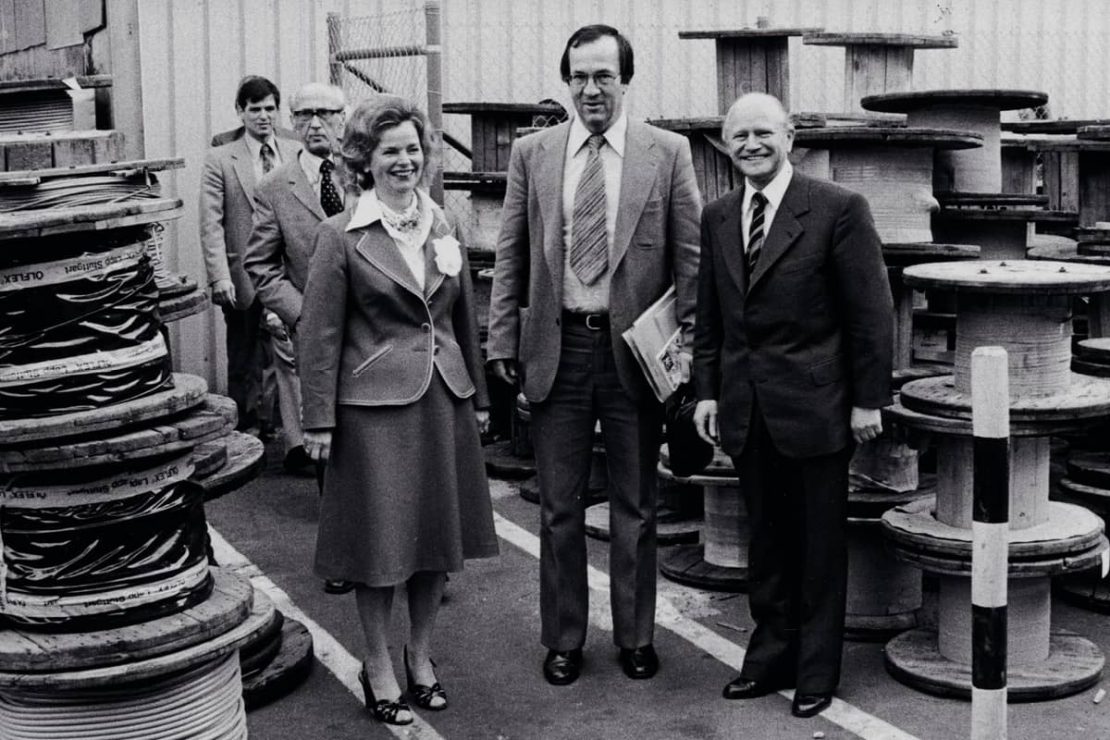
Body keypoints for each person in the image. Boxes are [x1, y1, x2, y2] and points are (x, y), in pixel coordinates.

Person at [487, 24, 701, 686]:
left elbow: (690, 257)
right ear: (567, 82)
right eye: (579, 76)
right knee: (559, 506)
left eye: (604, 76)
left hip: (634, 353)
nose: (591, 89)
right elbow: (511, 252)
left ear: (626, 81)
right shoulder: (535, 152)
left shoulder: (666, 153)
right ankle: (564, 638)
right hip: (560, 347)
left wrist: (689, 344)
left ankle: (636, 636)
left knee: (636, 506)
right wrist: (502, 339)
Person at [691, 92, 893, 718]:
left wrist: (867, 402)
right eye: (738, 135)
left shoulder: (837, 209)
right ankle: (770, 655)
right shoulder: (720, 215)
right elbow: (712, 317)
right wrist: (705, 392)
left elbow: (871, 313)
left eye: (763, 133)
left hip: (817, 408)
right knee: (768, 543)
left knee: (818, 546)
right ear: (725, 144)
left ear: (791, 138)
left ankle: (816, 672)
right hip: (746, 409)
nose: (750, 145)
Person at [299, 95, 498, 727]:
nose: (405, 161)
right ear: (364, 160)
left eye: (413, 149)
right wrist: (318, 419)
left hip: (443, 400)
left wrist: (482, 397)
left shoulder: (444, 224)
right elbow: (319, 334)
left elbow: (465, 317)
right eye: (391, 151)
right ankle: (378, 663)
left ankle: (421, 657)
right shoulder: (342, 234)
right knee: (380, 547)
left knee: (435, 542)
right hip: (372, 410)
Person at [243, 82, 348, 477]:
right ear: (292, 121)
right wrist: (300, 314)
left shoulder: (365, 174)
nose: (316, 124)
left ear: (344, 119)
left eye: (326, 114)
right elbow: (261, 264)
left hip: (372, 324)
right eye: (305, 115)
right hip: (313, 330)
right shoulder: (275, 187)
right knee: (323, 428)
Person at [200, 76, 301, 433]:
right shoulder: (220, 158)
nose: (263, 117)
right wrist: (219, 276)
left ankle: (284, 429)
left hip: (288, 270)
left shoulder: (295, 150)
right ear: (240, 112)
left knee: (289, 351)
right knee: (244, 354)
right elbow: (211, 222)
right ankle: (246, 427)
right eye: (254, 109)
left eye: (270, 109)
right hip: (242, 271)